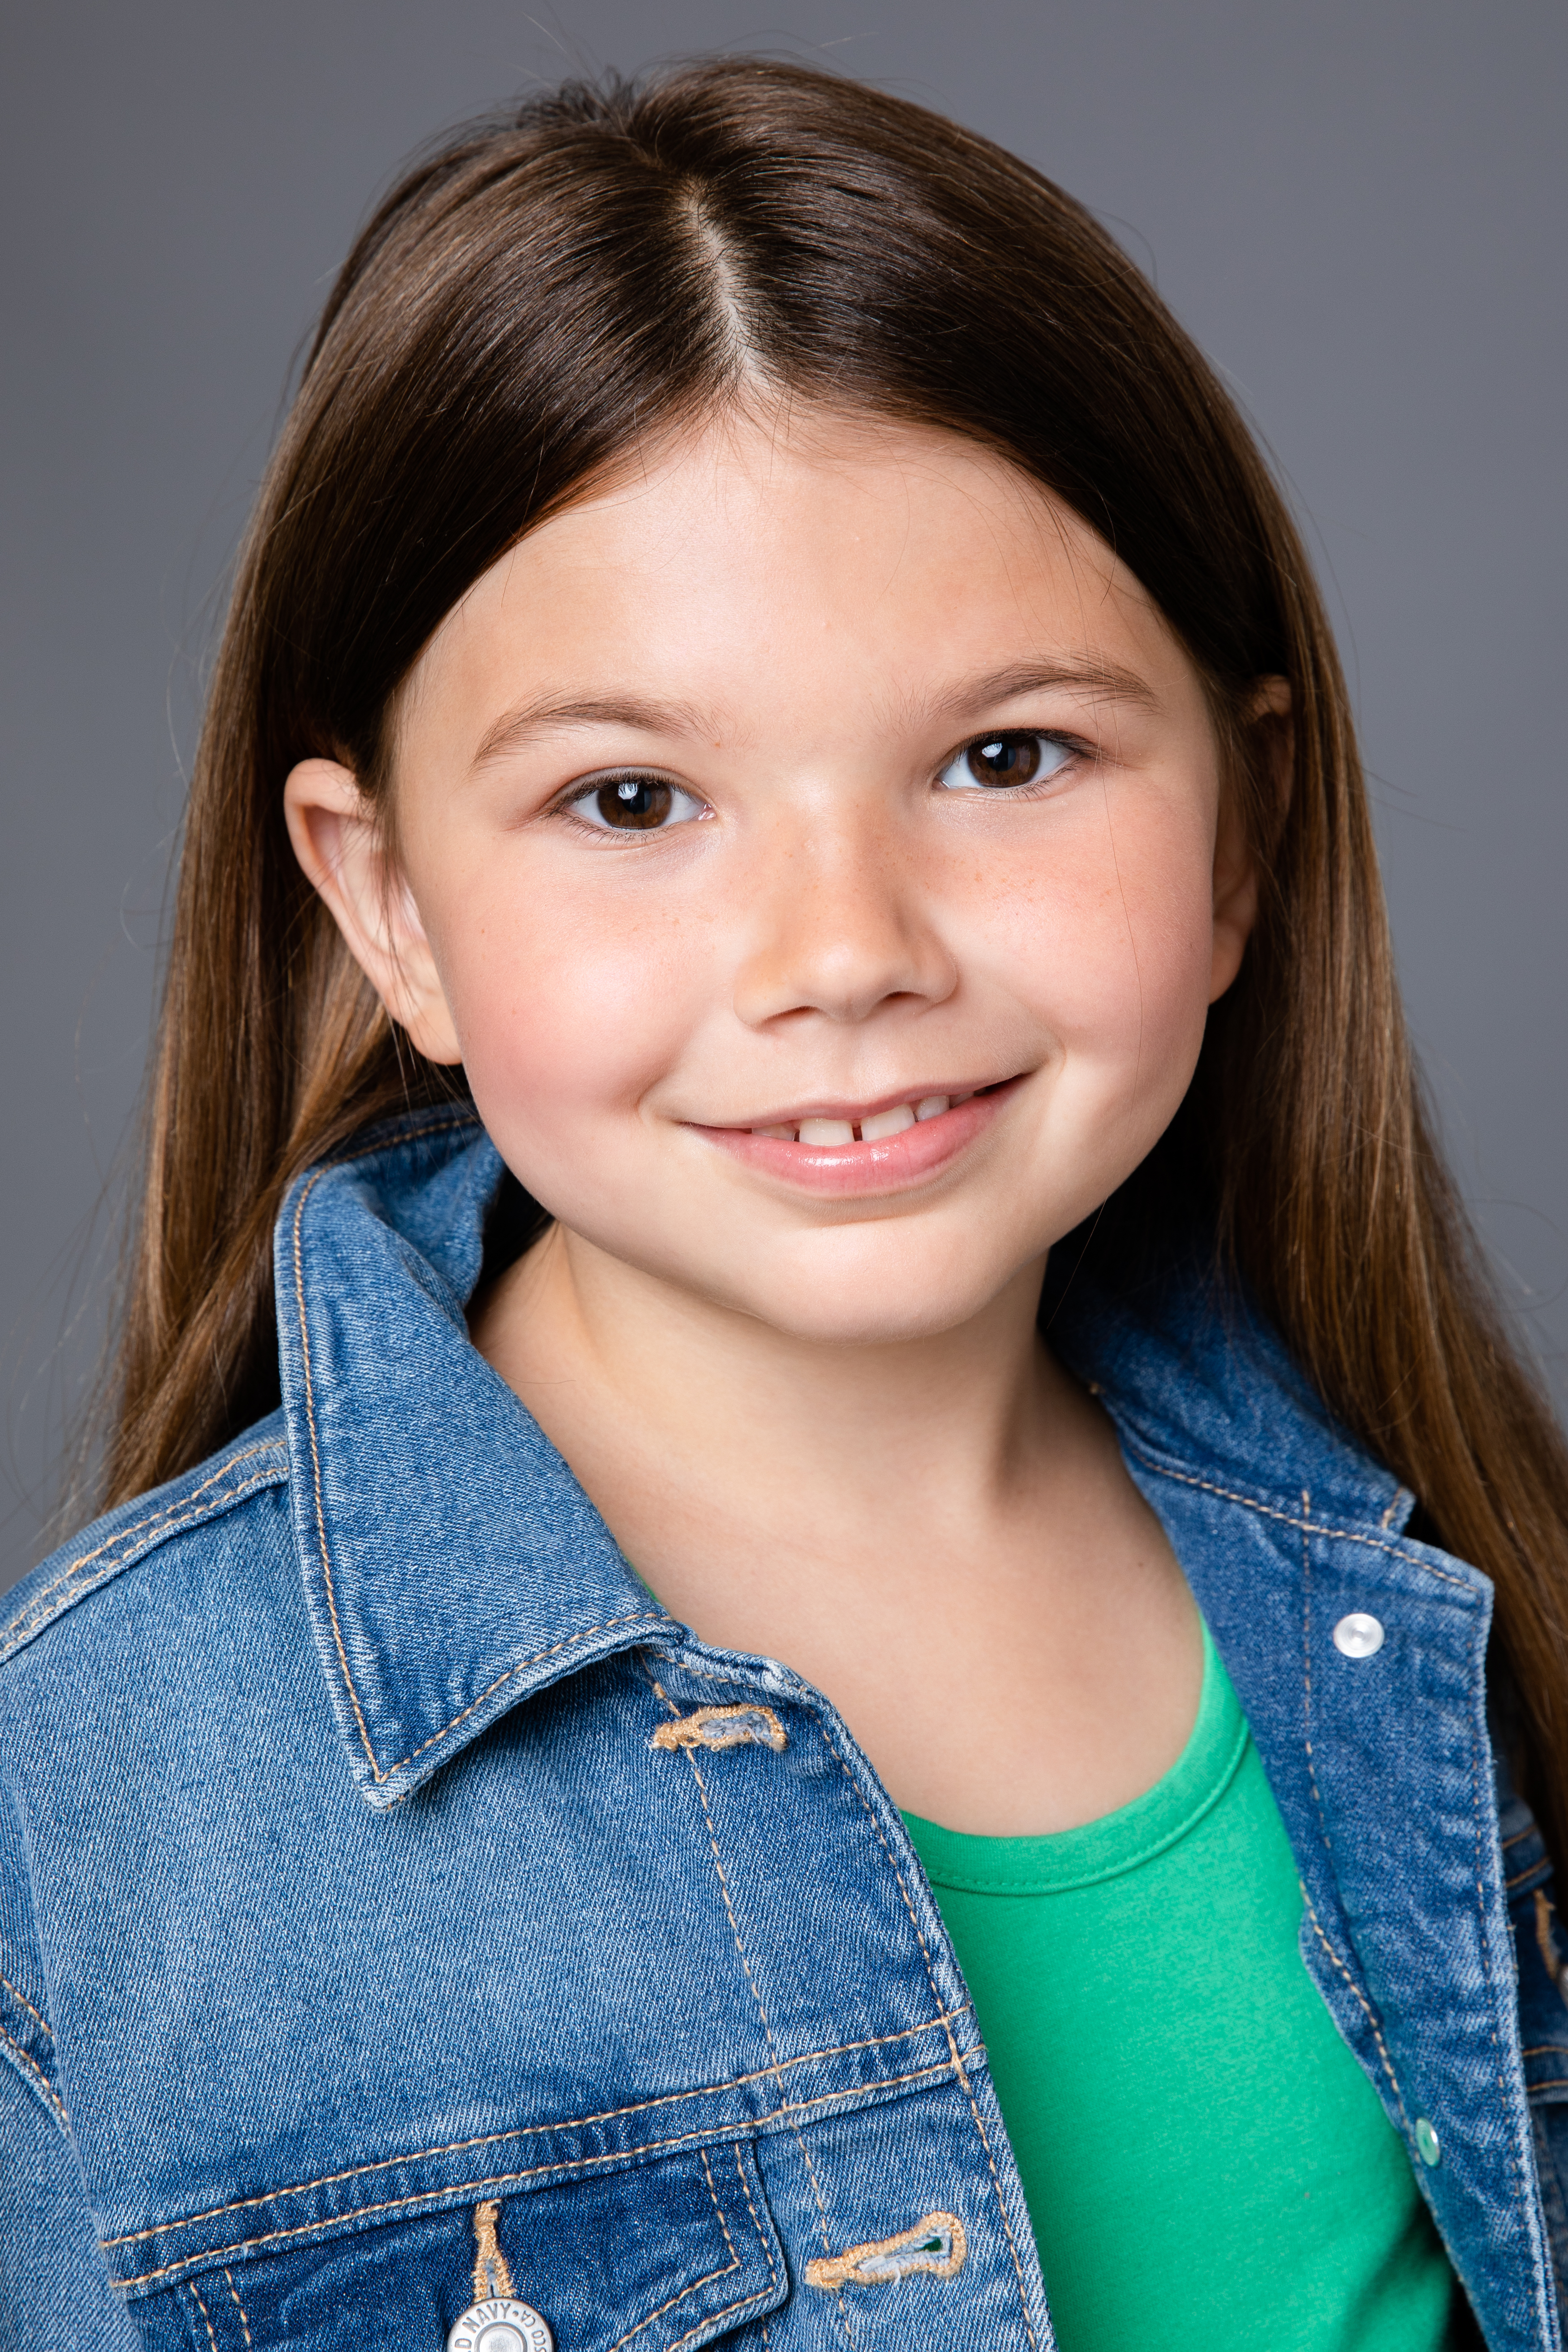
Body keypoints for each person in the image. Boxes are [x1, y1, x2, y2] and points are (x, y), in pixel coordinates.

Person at [2, 55, 1564, 2352]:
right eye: (632, 798)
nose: (843, 949)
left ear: (1241, 828)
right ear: (389, 908)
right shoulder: (95, 1808)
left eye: (1003, 757)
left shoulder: (1439, 1595)